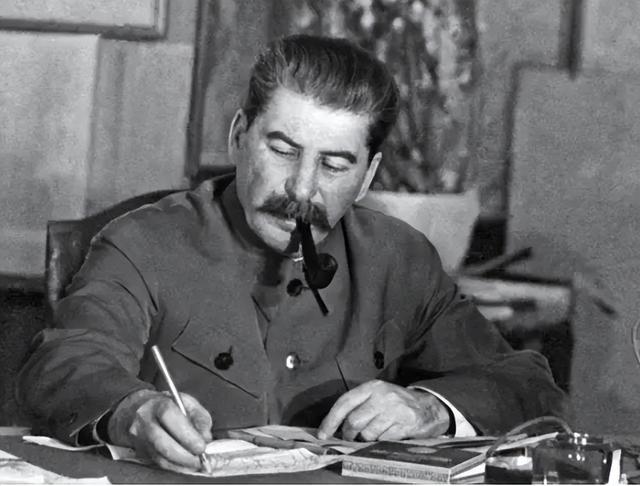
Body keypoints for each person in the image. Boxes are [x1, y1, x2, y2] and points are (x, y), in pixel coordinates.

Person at [17, 34, 566, 472]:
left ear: (368, 175)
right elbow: (68, 359)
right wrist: (132, 411)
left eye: (334, 166)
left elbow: (526, 383)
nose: (302, 189)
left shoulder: (399, 259)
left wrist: (429, 408)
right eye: (282, 150)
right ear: (239, 136)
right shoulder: (144, 241)